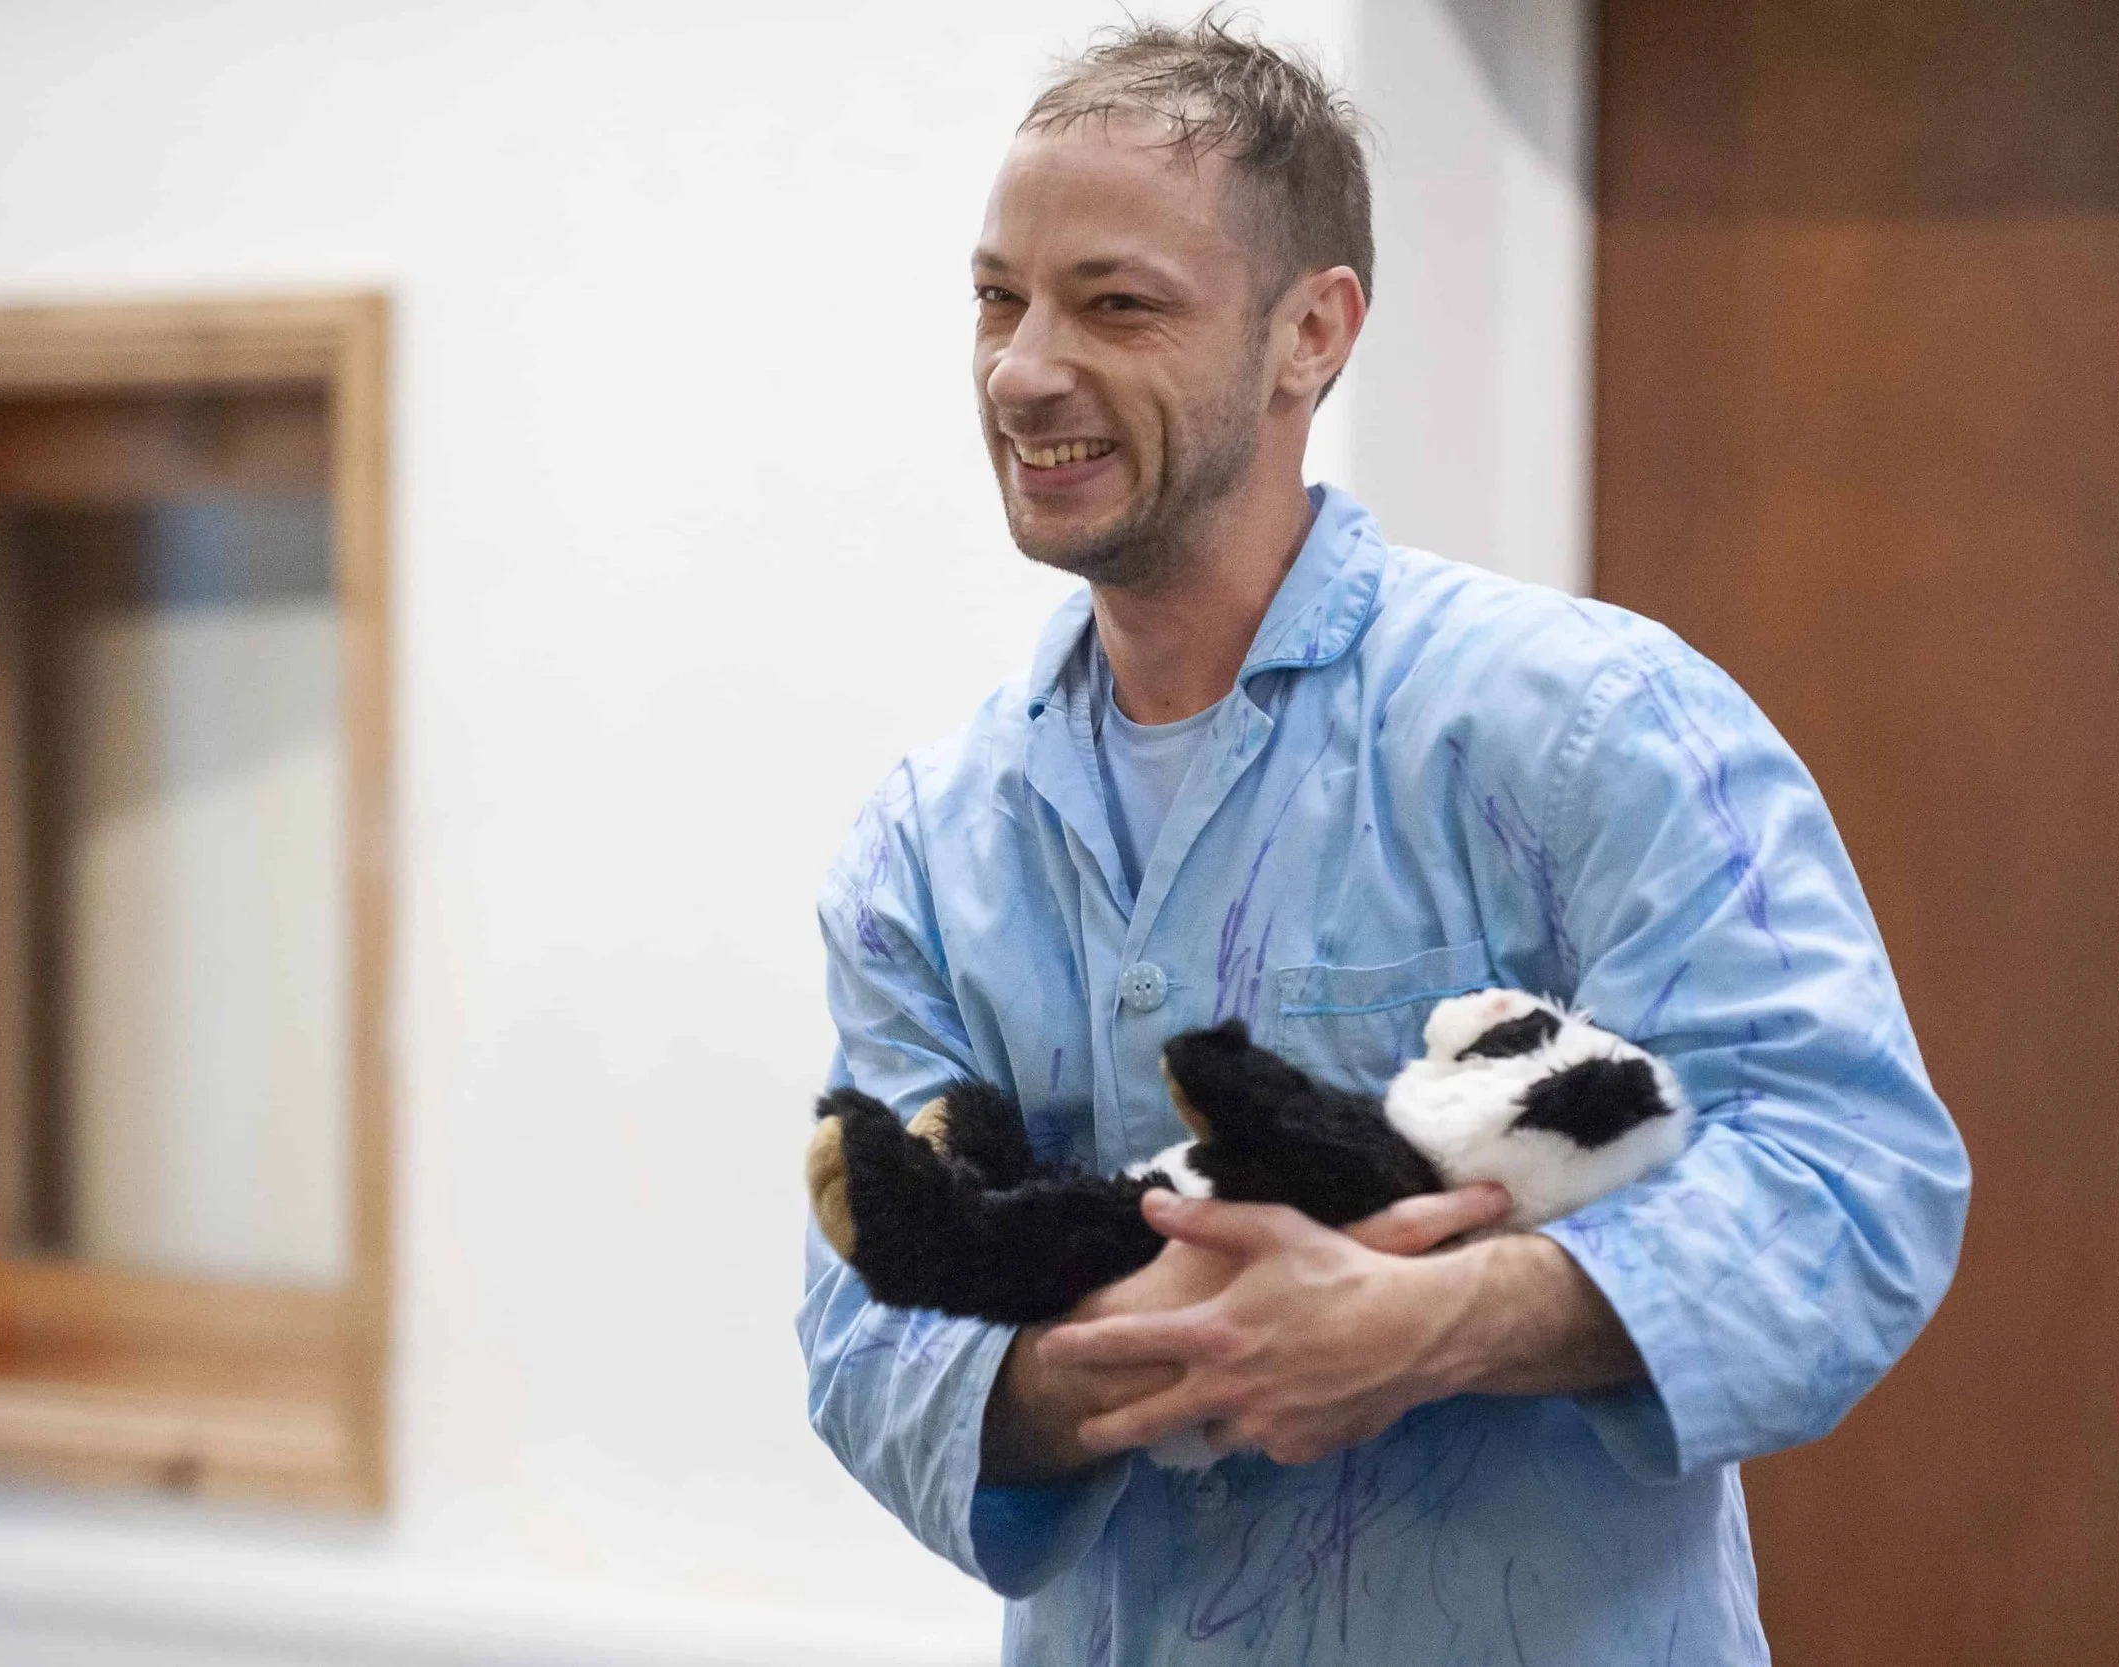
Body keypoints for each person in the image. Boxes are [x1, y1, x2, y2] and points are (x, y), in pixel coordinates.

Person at [797, 16, 1969, 1664]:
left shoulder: (1585, 724)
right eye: (1000, 297)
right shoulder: (930, 848)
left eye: (1116, 303)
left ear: (1311, 333)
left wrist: (1428, 1324)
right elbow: (865, 1327)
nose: (1023, 367)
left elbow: (1854, 1182)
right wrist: (1142, 1354)